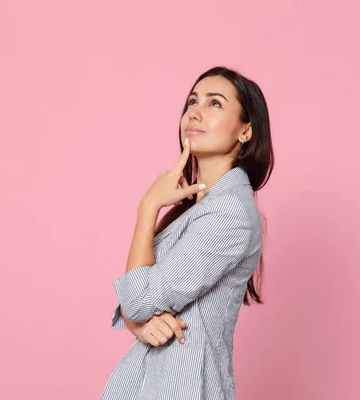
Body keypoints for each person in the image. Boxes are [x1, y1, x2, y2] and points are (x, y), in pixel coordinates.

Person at [101, 66, 274, 400]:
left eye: (215, 104)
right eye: (192, 101)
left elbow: (137, 298)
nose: (195, 111)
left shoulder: (230, 213)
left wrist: (148, 206)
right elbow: (135, 298)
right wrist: (140, 324)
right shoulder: (198, 208)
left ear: (245, 131)